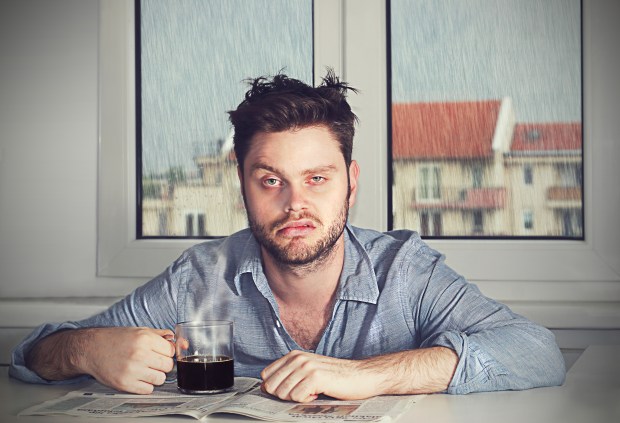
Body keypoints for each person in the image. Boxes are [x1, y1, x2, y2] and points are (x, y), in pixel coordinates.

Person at [10, 70, 566, 402]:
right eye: (271, 179)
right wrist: (85, 348)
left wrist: (368, 376)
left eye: (317, 179)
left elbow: (537, 354)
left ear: (350, 183)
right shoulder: (200, 279)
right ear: (243, 185)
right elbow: (31, 355)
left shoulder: (407, 271)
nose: (295, 203)